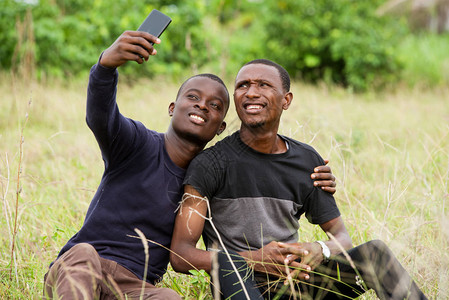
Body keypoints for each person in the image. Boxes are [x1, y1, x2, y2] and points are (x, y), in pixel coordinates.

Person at [43, 31, 336, 300]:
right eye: (193, 97)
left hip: (134, 286)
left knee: (170, 298)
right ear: (172, 108)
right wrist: (105, 67)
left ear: (221, 127)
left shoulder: (209, 175)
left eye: (215, 105)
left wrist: (317, 175)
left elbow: (263, 172)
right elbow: (99, 116)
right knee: (82, 254)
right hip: (83, 267)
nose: (202, 106)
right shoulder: (136, 143)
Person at [170, 59, 428, 299]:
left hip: (297, 281)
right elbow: (181, 255)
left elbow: (342, 238)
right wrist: (254, 259)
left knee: (375, 254)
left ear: (286, 100)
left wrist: (320, 249)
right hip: (241, 283)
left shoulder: (306, 161)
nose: (250, 92)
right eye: (242, 86)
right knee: (229, 268)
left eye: (263, 85)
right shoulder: (209, 164)